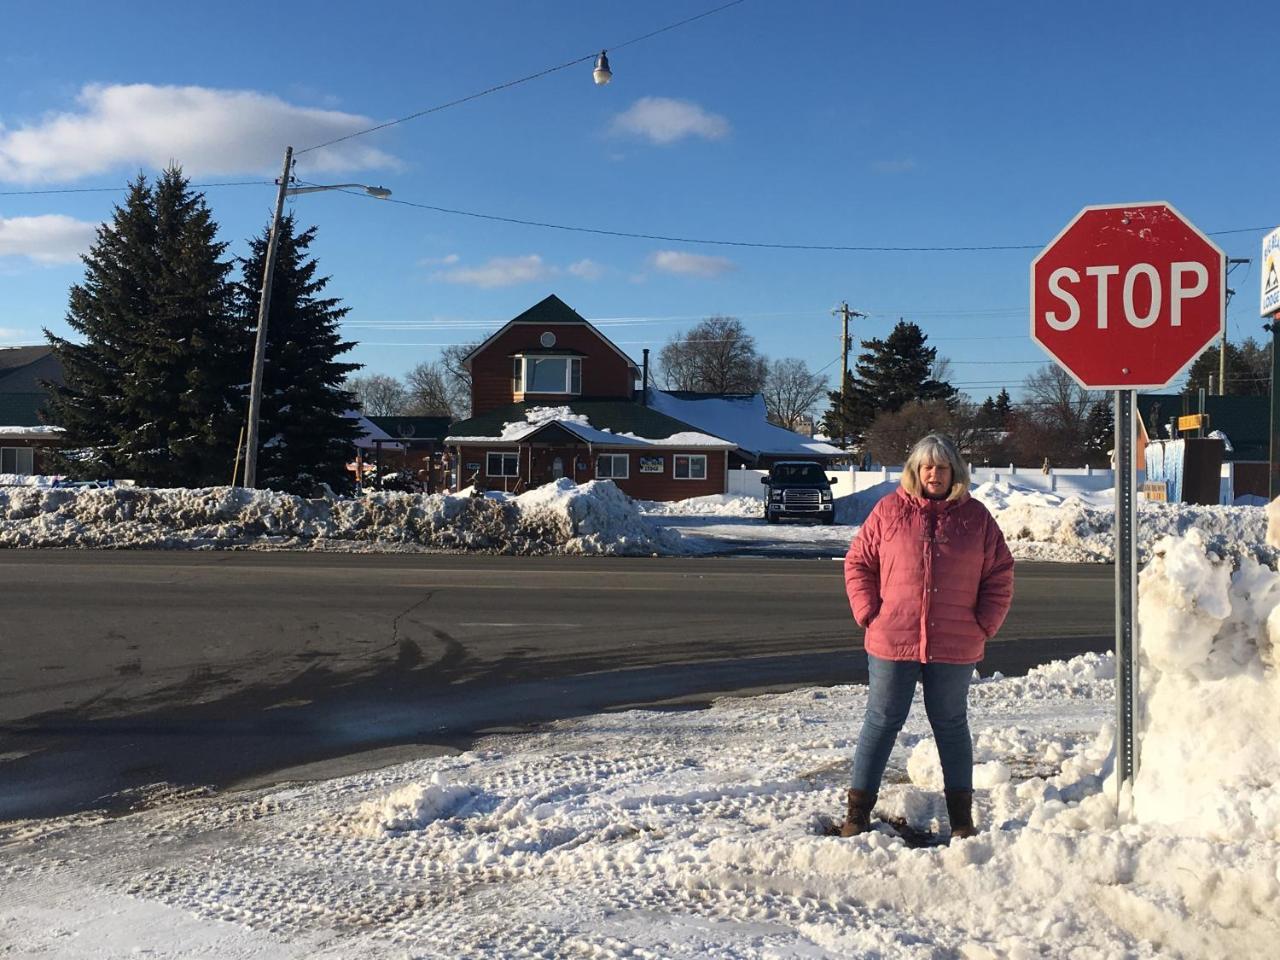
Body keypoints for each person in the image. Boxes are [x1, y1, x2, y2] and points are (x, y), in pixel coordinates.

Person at [839, 432, 1014, 840]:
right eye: (926, 466)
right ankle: (857, 813)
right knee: (881, 721)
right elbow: (858, 563)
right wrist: (869, 612)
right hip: (892, 637)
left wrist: (984, 623)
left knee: (951, 724)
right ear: (916, 471)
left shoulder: (977, 518)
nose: (934, 473)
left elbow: (1000, 573)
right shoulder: (888, 511)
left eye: (942, 466)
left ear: (955, 470)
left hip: (955, 642)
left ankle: (961, 821)